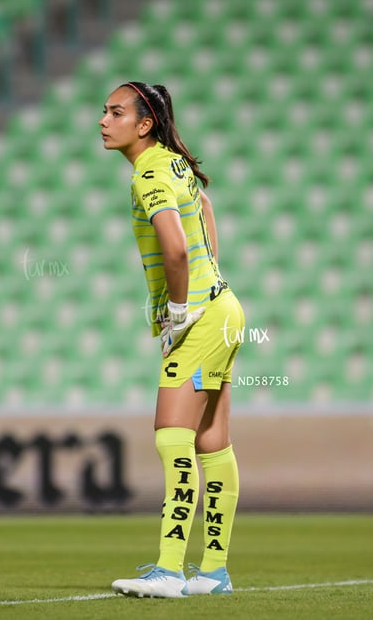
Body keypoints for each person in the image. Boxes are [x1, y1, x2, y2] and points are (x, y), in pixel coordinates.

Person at [99, 81, 245, 598]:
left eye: (116, 112)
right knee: (212, 442)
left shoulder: (150, 171)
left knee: (171, 434)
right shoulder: (172, 161)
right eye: (104, 111)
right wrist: (214, 280)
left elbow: (177, 249)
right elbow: (204, 207)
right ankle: (213, 573)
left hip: (202, 315)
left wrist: (180, 311)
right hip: (224, 307)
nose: (103, 120)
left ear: (144, 124)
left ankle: (167, 570)